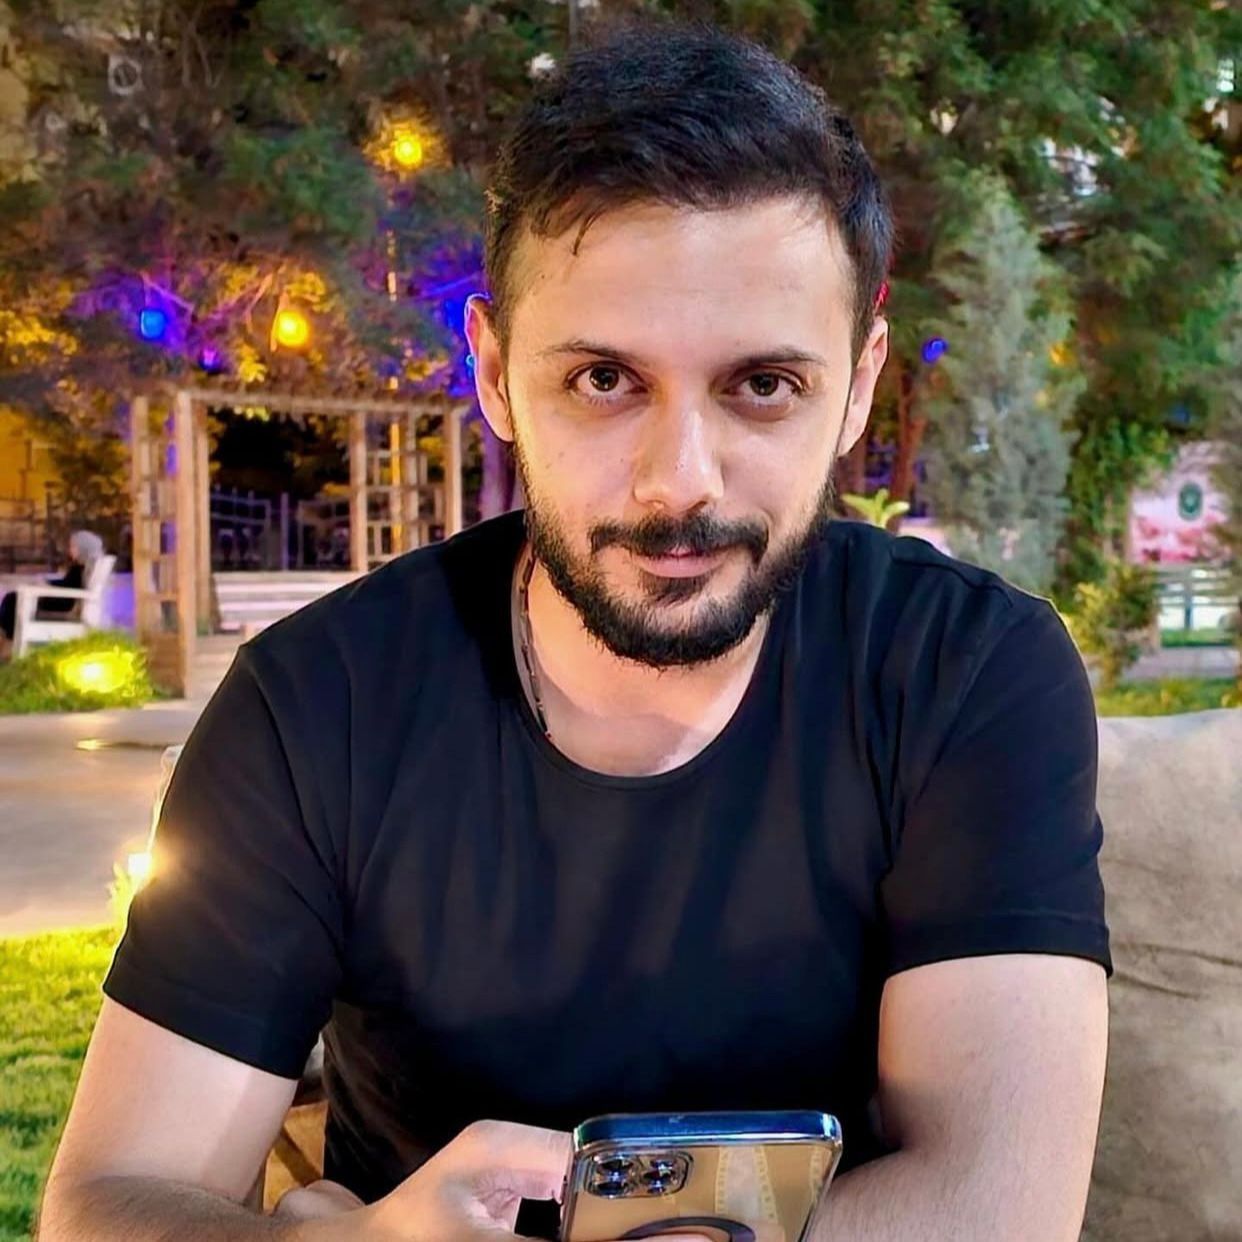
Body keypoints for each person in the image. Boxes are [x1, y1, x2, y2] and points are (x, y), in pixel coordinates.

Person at [39, 22, 1110, 1242]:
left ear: (859, 384)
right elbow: (103, 1201)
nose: (679, 480)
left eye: (763, 385)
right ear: (496, 374)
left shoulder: (968, 675)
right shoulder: (318, 704)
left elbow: (999, 1207)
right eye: (604, 380)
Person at [0, 529, 103, 659]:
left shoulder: (80, 568)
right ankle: (7, 637)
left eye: (73, 546)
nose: (70, 549)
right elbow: (67, 584)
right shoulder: (79, 566)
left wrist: (48, 586)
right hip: (62, 597)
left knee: (12, 599)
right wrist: (47, 583)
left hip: (62, 602)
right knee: (12, 598)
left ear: (83, 548)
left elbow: (69, 587)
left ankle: (7, 640)